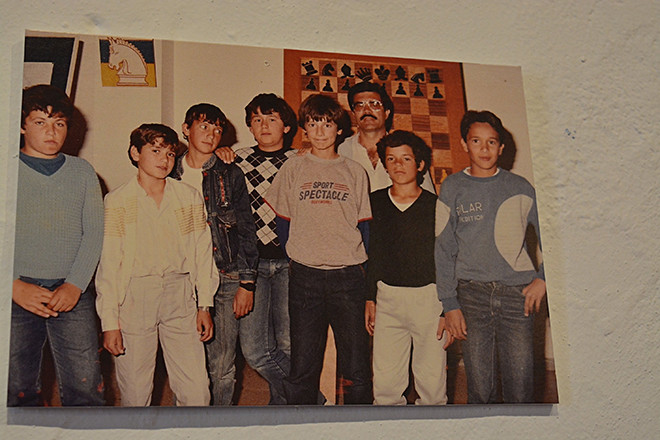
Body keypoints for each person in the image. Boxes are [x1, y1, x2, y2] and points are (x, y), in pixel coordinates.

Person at [95, 123, 216, 406]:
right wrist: (109, 323)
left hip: (180, 294)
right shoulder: (118, 201)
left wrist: (204, 305)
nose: (164, 160)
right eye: (156, 151)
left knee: (197, 389)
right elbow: (109, 265)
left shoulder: (187, 197)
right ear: (135, 153)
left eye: (170, 154)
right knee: (136, 390)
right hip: (136, 296)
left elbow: (201, 252)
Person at [265, 94, 372, 404]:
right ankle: (302, 422)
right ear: (304, 129)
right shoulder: (293, 167)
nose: (320, 131)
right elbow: (283, 221)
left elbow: (364, 228)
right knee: (303, 363)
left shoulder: (354, 171)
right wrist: (299, 253)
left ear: (340, 129)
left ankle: (361, 422)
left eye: (327, 124)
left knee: (356, 364)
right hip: (305, 277)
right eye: (313, 124)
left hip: (347, 277)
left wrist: (357, 266)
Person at [435, 110, 546, 403]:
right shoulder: (452, 187)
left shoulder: (521, 187)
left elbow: (555, 237)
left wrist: (543, 278)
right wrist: (449, 304)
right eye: (476, 141)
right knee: (481, 390)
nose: (484, 149)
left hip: (517, 297)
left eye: (491, 142)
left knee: (520, 389)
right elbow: (444, 249)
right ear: (464, 144)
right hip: (471, 297)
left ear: (501, 147)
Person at [9, 84, 105, 407]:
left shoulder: (83, 172)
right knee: (17, 387)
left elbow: (94, 233)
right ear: (22, 126)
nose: (51, 132)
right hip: (17, 292)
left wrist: (75, 285)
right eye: (40, 122)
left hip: (71, 292)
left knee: (86, 386)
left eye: (59, 123)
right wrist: (12, 285)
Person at [170, 104, 259, 405]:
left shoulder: (230, 173)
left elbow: (246, 229)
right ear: (186, 129)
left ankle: (218, 423)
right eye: (204, 126)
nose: (211, 134)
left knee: (221, 365)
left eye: (217, 129)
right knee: (184, 363)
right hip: (180, 277)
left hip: (225, 275)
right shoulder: (168, 170)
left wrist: (246, 283)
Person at [365, 130, 449, 405]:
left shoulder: (436, 207)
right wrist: (370, 297)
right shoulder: (374, 202)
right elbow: (372, 254)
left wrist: (447, 308)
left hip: (429, 298)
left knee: (432, 381)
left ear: (420, 164)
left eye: (406, 158)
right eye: (391, 159)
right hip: (387, 297)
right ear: (384, 164)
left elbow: (447, 259)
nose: (398, 165)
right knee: (386, 382)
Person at [227, 93, 298, 404]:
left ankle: (281, 408)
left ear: (286, 126)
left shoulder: (299, 160)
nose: (264, 125)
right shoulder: (236, 159)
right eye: (257, 120)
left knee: (288, 344)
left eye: (271, 119)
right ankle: (308, 395)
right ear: (250, 127)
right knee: (256, 350)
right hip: (251, 265)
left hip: (290, 262)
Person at [338, 81, 435, 193]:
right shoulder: (341, 150)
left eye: (374, 104)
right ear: (354, 114)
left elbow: (428, 199)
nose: (367, 110)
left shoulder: (408, 148)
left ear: (386, 113)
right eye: (359, 106)